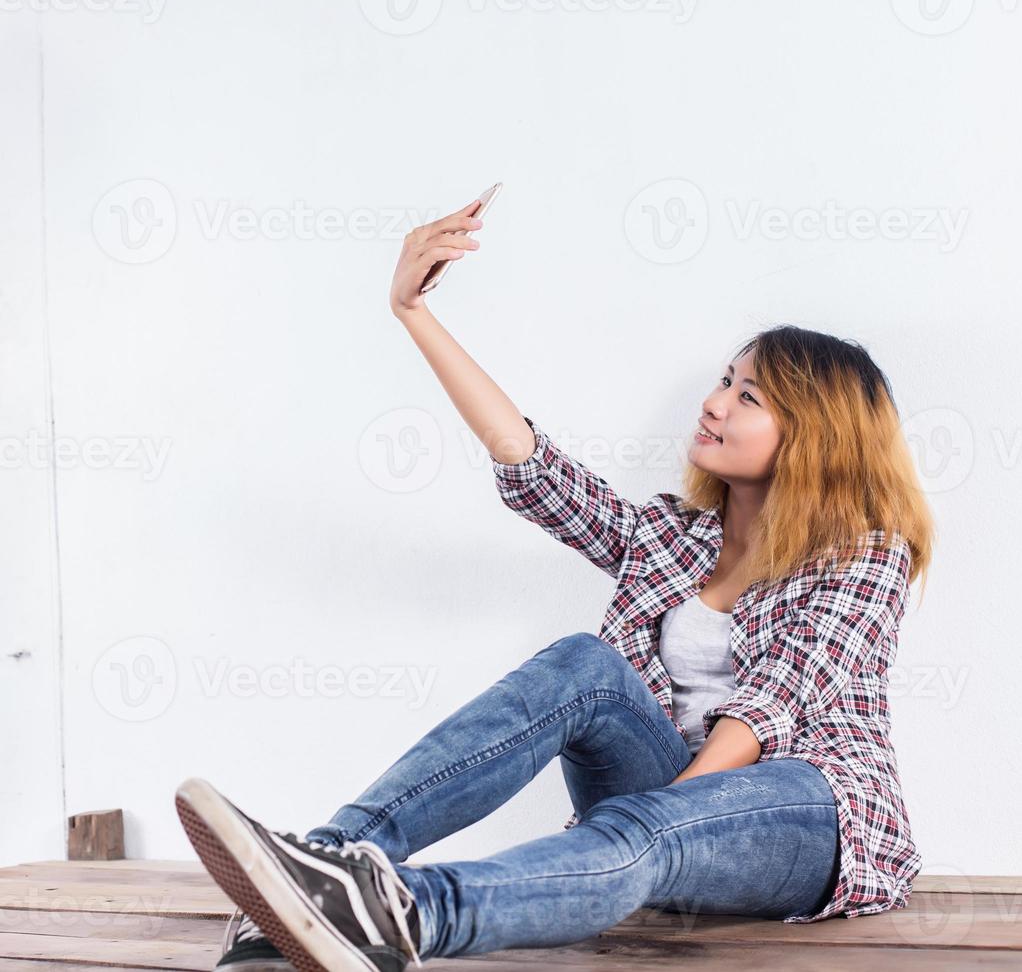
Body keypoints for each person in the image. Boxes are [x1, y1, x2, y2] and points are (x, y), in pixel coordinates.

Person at [175, 199, 935, 971]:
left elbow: (771, 708)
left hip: (808, 816)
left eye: (749, 397)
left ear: (816, 436)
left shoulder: (865, 555)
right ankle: (323, 871)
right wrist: (411, 310)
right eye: (723, 380)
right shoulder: (670, 538)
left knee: (645, 828)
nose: (713, 402)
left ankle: (395, 914)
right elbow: (531, 466)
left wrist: (651, 820)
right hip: (668, 812)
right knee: (584, 664)